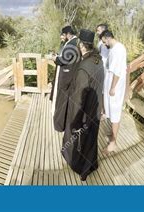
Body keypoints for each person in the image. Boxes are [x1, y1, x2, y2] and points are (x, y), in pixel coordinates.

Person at [62, 29, 104, 181]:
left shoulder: (83, 67)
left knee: (80, 139)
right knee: (92, 138)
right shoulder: (98, 60)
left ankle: (81, 169)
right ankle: (91, 165)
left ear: (81, 45)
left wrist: (74, 119)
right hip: (96, 108)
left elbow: (79, 97)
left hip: (85, 112)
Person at [101, 30, 127, 155]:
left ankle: (113, 143)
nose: (103, 43)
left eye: (103, 40)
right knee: (111, 111)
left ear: (107, 37)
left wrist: (112, 87)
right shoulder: (113, 48)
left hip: (115, 85)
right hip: (110, 82)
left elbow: (117, 71)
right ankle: (112, 135)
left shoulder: (118, 49)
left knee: (115, 112)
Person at [51, 26, 79, 132]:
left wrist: (55, 58)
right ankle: (64, 122)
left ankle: (59, 125)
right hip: (71, 75)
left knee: (62, 100)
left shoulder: (72, 44)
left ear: (68, 34)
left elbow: (63, 60)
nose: (61, 37)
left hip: (66, 76)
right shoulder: (75, 42)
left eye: (63, 34)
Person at [96, 23, 109, 119]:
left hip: (105, 68)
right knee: (101, 89)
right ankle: (100, 110)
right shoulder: (100, 41)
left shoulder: (105, 42)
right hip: (100, 67)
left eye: (98, 30)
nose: (97, 32)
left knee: (103, 89)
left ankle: (103, 111)